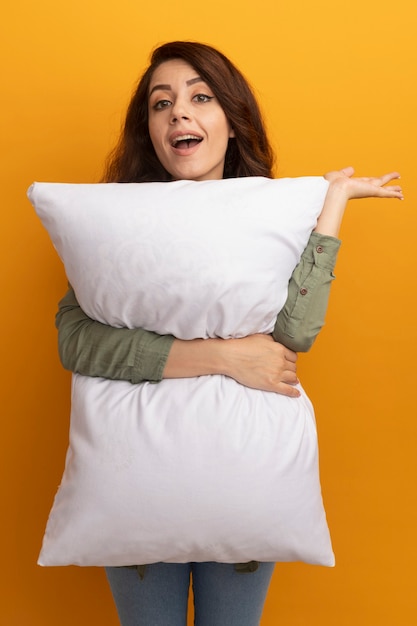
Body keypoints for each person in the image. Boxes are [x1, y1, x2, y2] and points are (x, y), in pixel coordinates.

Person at [55, 41, 403, 626]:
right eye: (160, 103)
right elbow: (78, 342)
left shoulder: (270, 216)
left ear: (232, 121)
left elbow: (294, 336)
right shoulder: (115, 225)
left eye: (200, 97)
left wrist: (332, 207)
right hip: (136, 484)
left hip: (245, 476)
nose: (179, 113)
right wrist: (225, 356)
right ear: (149, 130)